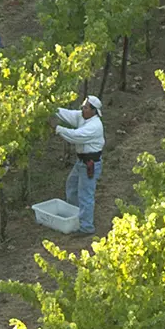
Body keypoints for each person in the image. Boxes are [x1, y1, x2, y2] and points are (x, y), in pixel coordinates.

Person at [54, 95, 105, 235]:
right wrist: (51, 109)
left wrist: (58, 128)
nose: (83, 108)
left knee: (85, 195)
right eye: (83, 106)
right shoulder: (83, 116)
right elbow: (68, 114)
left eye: (86, 107)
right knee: (71, 187)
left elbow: (75, 136)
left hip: (90, 163)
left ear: (94, 111)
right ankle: (75, 218)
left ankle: (86, 227)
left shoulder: (94, 126)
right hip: (81, 162)